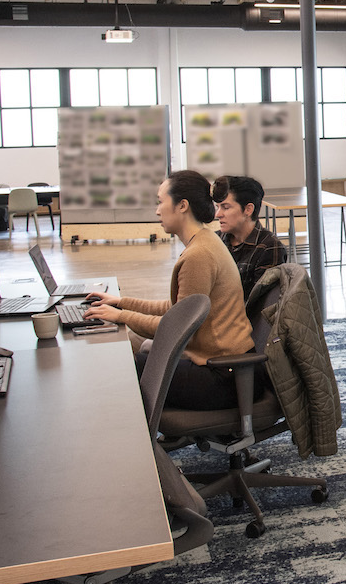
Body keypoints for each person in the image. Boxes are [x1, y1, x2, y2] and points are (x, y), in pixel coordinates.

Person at [83, 169, 255, 410]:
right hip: (222, 367)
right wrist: (120, 303)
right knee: (133, 351)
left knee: (122, 365)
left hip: (221, 376)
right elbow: (176, 309)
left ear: (182, 205)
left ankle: (138, 445)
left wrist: (121, 316)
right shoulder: (204, 241)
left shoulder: (199, 255)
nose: (156, 210)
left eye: (160, 202)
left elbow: (178, 329)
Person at [212, 174, 288, 298]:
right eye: (217, 207)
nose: (218, 214)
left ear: (248, 209)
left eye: (225, 207)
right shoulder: (215, 241)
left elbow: (259, 305)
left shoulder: (269, 247)